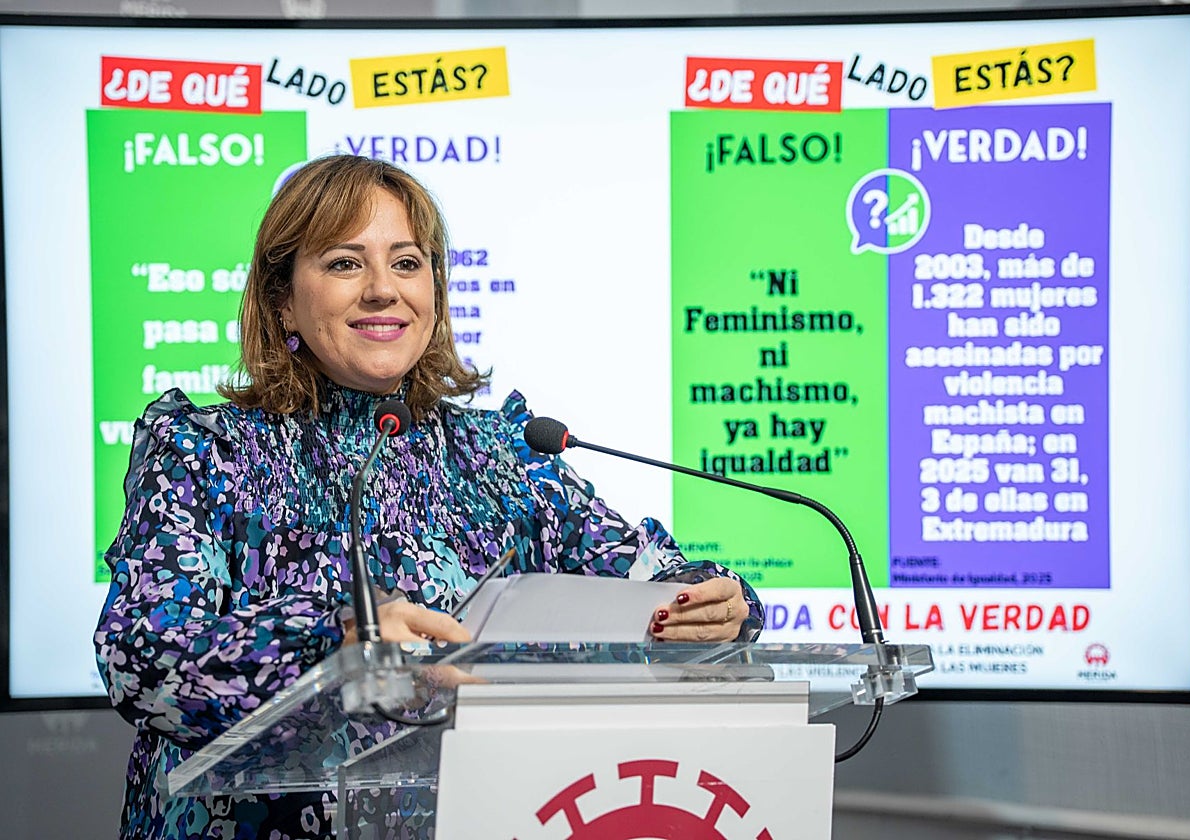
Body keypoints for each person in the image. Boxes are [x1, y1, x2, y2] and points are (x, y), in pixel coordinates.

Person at [94, 154, 764, 839]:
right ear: (281, 298)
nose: (384, 289)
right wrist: (337, 640)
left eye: (408, 263)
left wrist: (710, 606)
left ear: (436, 292)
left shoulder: (501, 456)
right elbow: (143, 662)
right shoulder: (205, 453)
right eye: (345, 263)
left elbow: (651, 580)